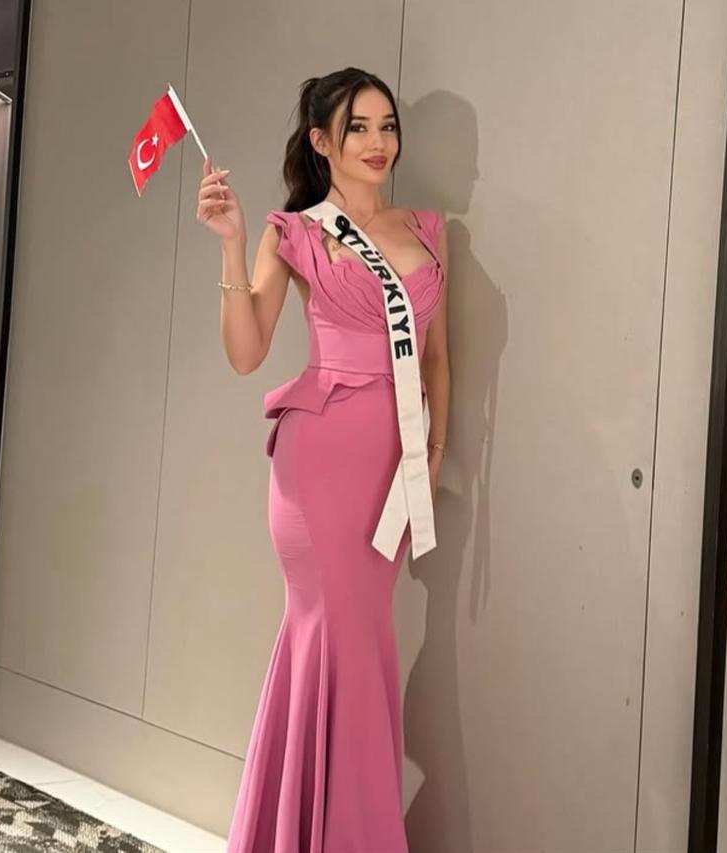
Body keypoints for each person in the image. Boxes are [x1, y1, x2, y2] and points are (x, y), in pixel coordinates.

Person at [196, 67, 449, 852]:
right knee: (331, 637)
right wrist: (235, 246)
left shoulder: (429, 231)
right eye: (359, 129)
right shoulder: (296, 230)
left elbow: (438, 360)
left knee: (365, 645)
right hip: (319, 465)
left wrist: (430, 461)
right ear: (321, 142)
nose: (379, 144)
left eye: (388, 126)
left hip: (394, 469)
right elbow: (247, 352)